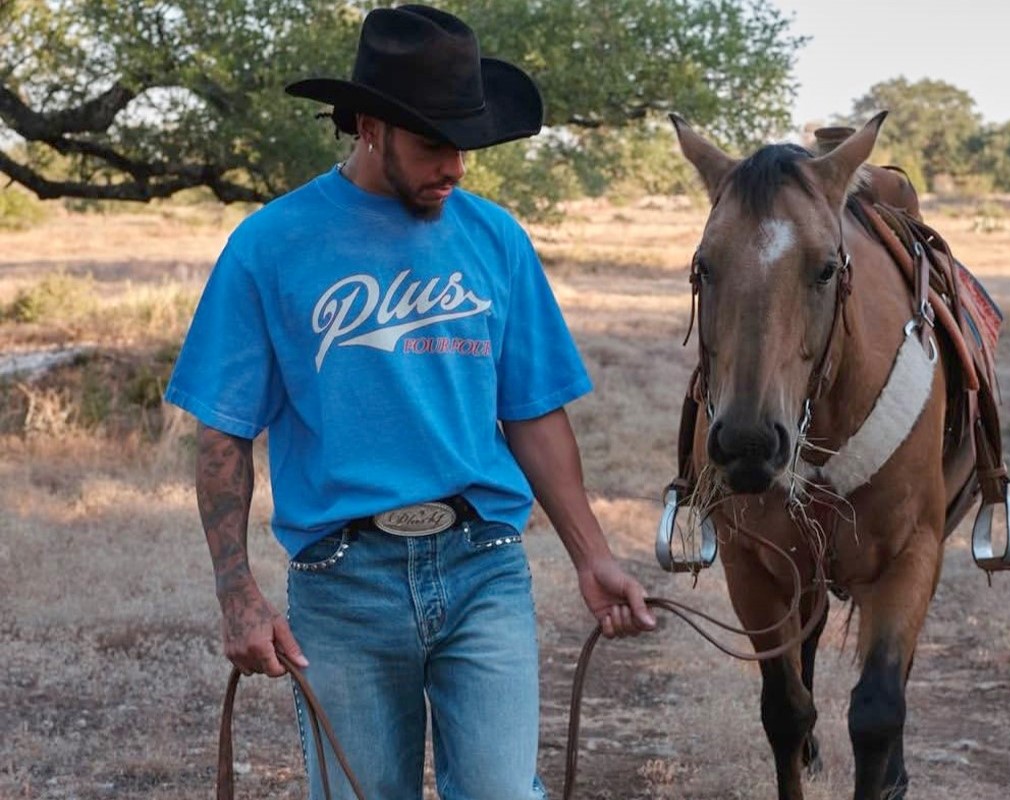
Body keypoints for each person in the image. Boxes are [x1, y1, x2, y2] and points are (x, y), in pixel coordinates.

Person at [165, 6, 657, 798]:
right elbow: (222, 434)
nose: (455, 165)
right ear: (369, 128)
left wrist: (592, 556)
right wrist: (236, 593)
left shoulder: (496, 240)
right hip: (342, 584)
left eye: (465, 143)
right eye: (433, 142)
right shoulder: (270, 245)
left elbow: (533, 413)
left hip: (483, 566)